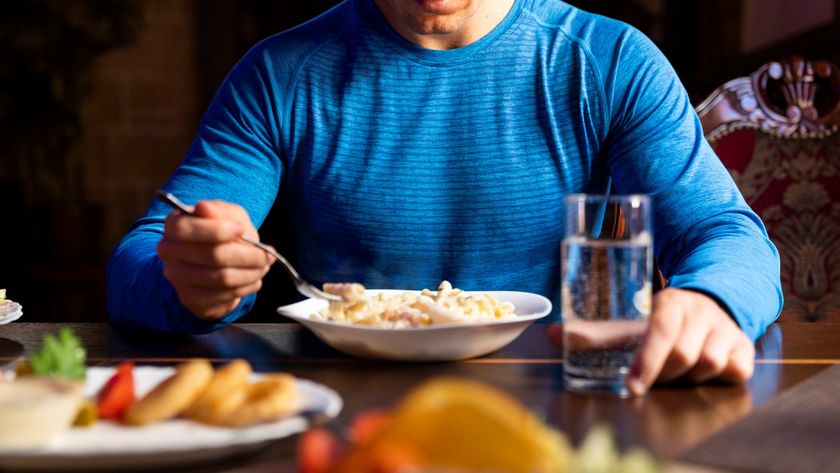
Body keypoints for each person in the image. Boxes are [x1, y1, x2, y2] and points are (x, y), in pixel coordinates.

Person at [107, 0, 782, 396]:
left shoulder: (606, 62)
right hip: (340, 412)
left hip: (553, 405)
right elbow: (137, 259)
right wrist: (187, 275)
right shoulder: (280, 74)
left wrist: (709, 299)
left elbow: (728, 236)